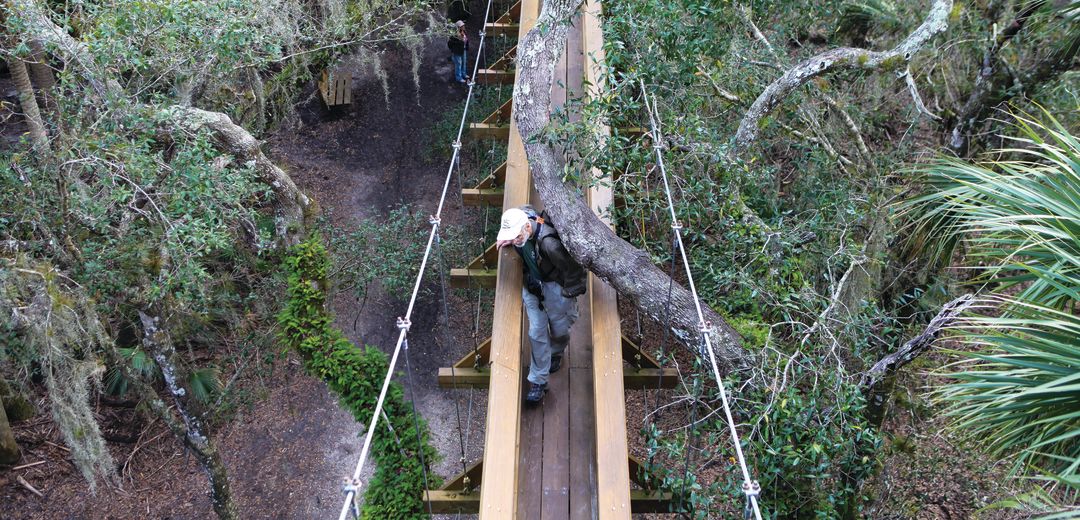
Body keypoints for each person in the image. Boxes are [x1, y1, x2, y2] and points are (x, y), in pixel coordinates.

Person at [496, 206, 587, 404]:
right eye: (511, 238)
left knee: (560, 328)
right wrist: (507, 239)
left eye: (516, 237)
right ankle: (538, 381)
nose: (514, 241)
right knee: (536, 331)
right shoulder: (522, 219)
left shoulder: (550, 245)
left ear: (527, 227)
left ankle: (556, 352)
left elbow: (576, 271)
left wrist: (567, 294)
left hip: (555, 286)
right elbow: (521, 214)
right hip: (532, 286)